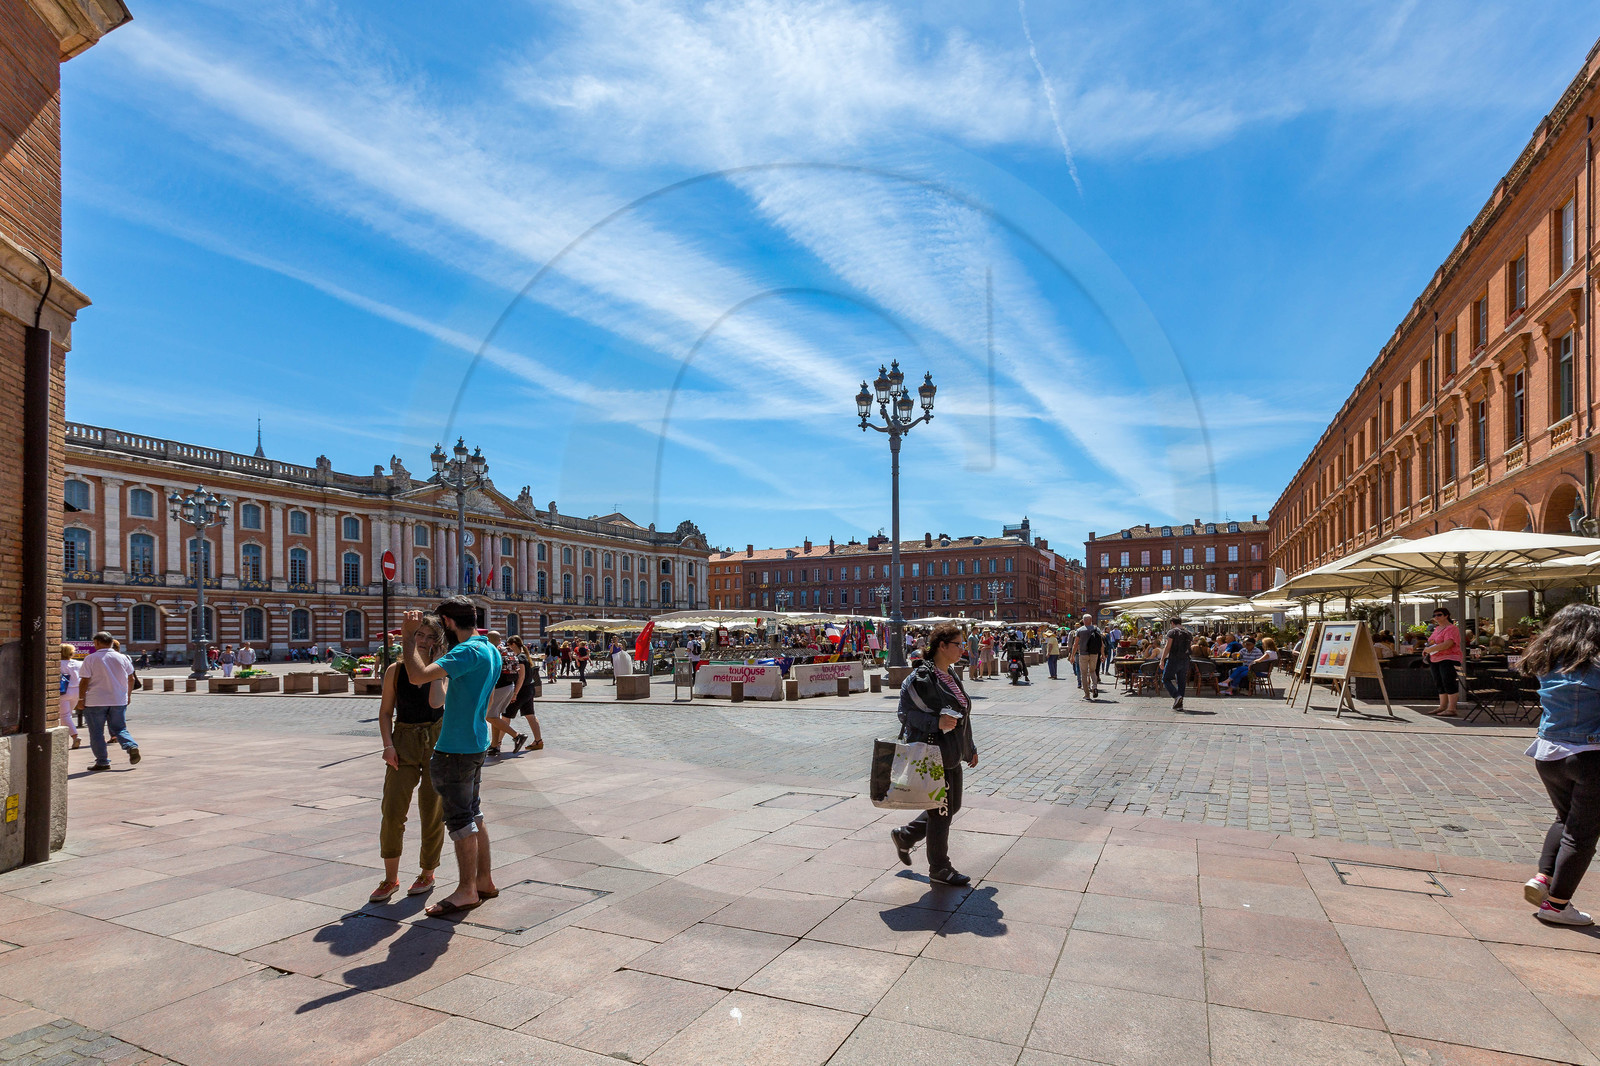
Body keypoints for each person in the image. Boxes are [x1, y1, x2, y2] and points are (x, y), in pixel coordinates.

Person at [401, 598, 501, 919]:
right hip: (477, 741)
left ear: (447, 622)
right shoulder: (489, 649)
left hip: (455, 747)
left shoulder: (465, 652)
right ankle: (484, 881)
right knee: (474, 813)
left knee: (460, 820)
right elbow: (453, 696)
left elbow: (417, 676)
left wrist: (407, 636)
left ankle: (466, 890)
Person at [1517, 603, 1600, 925]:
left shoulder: (1546, 661)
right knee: (1582, 834)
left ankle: (1544, 878)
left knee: (1564, 819)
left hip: (1549, 753)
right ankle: (1556, 906)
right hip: (1590, 755)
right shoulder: (1594, 665)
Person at [888, 623, 978, 887]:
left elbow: (963, 715)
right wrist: (936, 723)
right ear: (942, 646)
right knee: (942, 811)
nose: (962, 649)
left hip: (952, 751)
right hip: (934, 752)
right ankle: (939, 867)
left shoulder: (950, 674)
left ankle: (906, 835)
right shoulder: (921, 677)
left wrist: (970, 748)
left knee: (951, 806)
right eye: (958, 644)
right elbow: (905, 714)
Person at [373, 612, 447, 903]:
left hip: (437, 739)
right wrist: (387, 745)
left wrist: (436, 665)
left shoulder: (443, 669)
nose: (424, 641)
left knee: (432, 811)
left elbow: (437, 703)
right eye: (419, 634)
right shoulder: (395, 670)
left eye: (431, 636)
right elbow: (385, 712)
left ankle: (427, 872)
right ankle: (390, 878)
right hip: (403, 739)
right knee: (392, 811)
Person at [76, 632, 140, 771]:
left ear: (97, 643)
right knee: (120, 728)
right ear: (111, 643)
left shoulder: (91, 658)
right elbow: (131, 678)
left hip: (95, 700)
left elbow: (85, 680)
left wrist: (80, 698)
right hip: (118, 699)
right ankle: (131, 746)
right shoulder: (123, 658)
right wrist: (128, 695)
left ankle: (102, 761)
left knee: (96, 732)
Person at [484, 632, 523, 756]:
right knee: (495, 716)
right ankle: (495, 745)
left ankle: (517, 736)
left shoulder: (492, 651)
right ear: (500, 639)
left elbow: (490, 671)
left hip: (499, 687)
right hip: (509, 685)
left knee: (489, 716)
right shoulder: (506, 650)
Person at [1423, 608, 1463, 718]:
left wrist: (1430, 649)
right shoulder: (1437, 629)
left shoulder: (1451, 628)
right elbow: (1431, 642)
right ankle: (1442, 706)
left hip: (1449, 658)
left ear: (1446, 615)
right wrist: (1427, 649)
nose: (1436, 617)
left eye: (1439, 615)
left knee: (1448, 682)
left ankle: (1452, 708)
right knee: (1439, 682)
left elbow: (1448, 644)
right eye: (1434, 615)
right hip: (1435, 658)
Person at [505, 636, 542, 751]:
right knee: (530, 715)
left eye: (508, 645)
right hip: (529, 689)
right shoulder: (525, 656)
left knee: (505, 716)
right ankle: (538, 741)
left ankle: (496, 743)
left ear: (513, 644)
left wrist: (515, 693)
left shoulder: (520, 658)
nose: (508, 648)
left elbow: (521, 677)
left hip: (522, 691)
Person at [1159, 616, 1192, 712]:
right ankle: (1179, 705)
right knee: (1181, 682)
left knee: (1165, 679)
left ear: (1172, 623)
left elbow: (1168, 647)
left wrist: (1162, 659)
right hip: (1185, 659)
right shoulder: (1188, 633)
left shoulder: (1172, 632)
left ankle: (1176, 696)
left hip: (1174, 659)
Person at [1071, 616, 1102, 700]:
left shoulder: (1079, 630)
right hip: (1094, 654)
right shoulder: (1097, 629)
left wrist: (1072, 655)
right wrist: (1102, 654)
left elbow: (1075, 644)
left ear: (1083, 621)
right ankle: (1094, 687)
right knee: (1093, 671)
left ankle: (1087, 695)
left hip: (1083, 654)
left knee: (1084, 674)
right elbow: (1101, 643)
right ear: (1091, 620)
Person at [57, 644, 81, 749]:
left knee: (64, 716)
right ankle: (64, 738)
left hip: (64, 691)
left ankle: (75, 736)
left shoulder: (58, 664)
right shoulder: (78, 663)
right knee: (68, 715)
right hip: (77, 691)